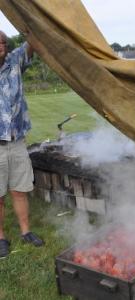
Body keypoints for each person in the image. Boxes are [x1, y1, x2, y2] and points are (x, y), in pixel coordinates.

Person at [0, 31, 44, 258]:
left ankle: (26, 232)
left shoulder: (15, 61)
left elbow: (34, 39)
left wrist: (33, 18)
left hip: (16, 141)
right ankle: (0, 239)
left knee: (19, 190)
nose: (0, 46)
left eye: (3, 42)